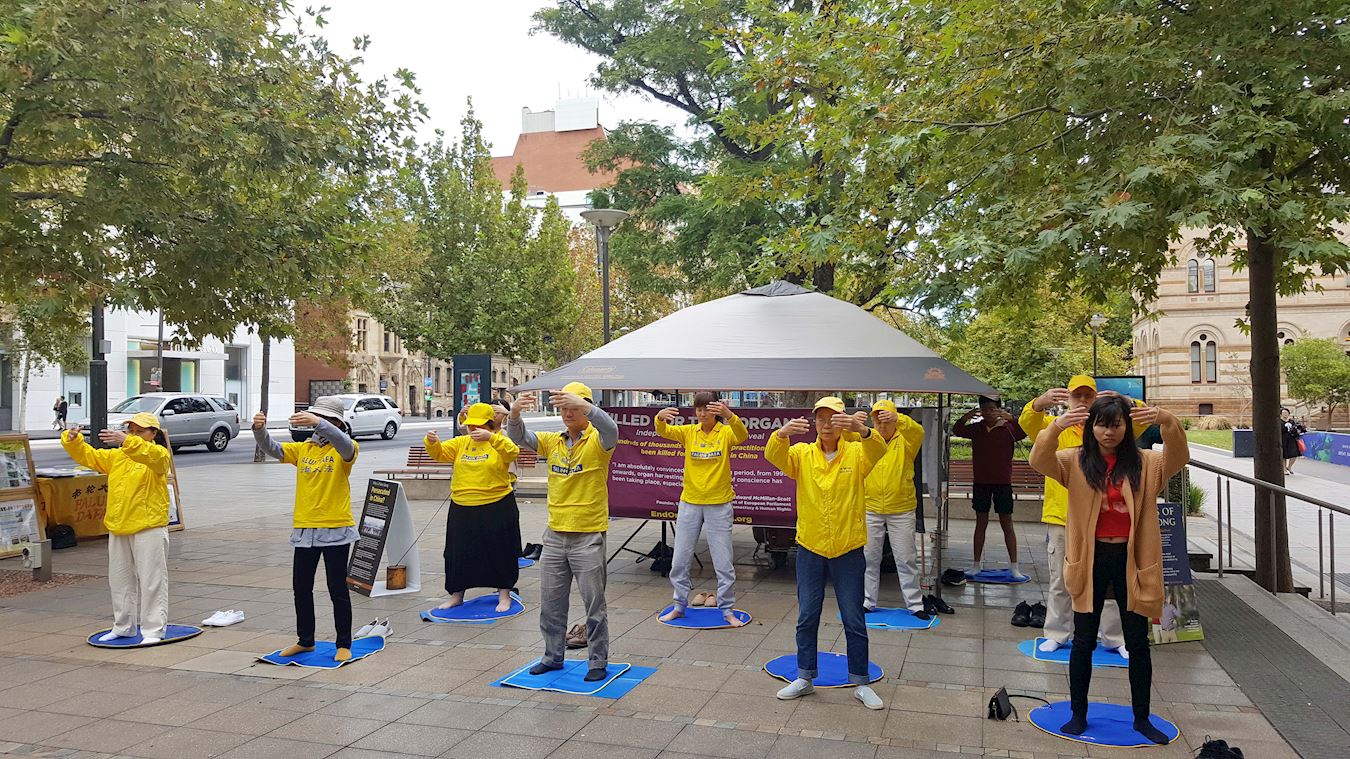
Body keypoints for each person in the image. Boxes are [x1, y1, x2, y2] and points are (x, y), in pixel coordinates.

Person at [1029, 394, 1187, 744]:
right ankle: (1078, 714)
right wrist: (1056, 426)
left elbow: (1179, 456)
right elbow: (1038, 459)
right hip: (1091, 558)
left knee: (1138, 642)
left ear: (1127, 427)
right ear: (1091, 427)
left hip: (1133, 559)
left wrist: (1167, 420)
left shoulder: (1146, 463)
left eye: (1116, 424)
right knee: (1084, 640)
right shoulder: (1075, 461)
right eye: (1102, 424)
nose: (1109, 432)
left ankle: (1142, 718)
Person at [765, 397, 888, 710]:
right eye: (820, 418)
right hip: (811, 545)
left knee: (854, 617)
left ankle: (861, 682)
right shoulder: (802, 454)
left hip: (848, 547)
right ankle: (805, 677)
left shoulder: (857, 452)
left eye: (833, 418)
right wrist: (781, 434)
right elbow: (774, 456)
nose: (826, 424)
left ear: (843, 422)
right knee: (807, 614)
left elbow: (878, 450)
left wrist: (862, 429)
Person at [507, 382, 618, 682]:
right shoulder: (553, 441)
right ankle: (552, 656)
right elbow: (519, 436)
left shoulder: (599, 441)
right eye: (564, 408)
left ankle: (597, 661)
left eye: (574, 408)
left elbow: (611, 429)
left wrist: (586, 407)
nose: (568, 413)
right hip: (555, 535)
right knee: (551, 604)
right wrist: (514, 414)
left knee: (594, 604)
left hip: (588, 534)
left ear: (586, 408)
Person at [1019, 376, 1128, 655]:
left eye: (1088, 396)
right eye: (1077, 396)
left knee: (1109, 582)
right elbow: (1028, 424)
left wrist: (1123, 400)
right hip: (1062, 516)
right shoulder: (1055, 426)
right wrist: (1040, 403)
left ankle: (1114, 637)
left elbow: (1139, 420)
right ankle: (1057, 633)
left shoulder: (1107, 428)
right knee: (1061, 579)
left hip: (1103, 518)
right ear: (1067, 398)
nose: (1082, 401)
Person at [252, 397, 358, 662]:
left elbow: (345, 445)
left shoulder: (346, 448)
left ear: (335, 423)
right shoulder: (304, 449)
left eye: (323, 419)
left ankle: (344, 642)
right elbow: (273, 448)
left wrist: (319, 422)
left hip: (335, 527)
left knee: (337, 588)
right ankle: (305, 640)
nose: (316, 424)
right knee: (301, 587)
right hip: (305, 528)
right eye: (316, 418)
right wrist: (259, 429)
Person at [61, 413, 172, 643]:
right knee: (120, 580)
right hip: (120, 524)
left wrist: (127, 441)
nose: (133, 435)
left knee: (152, 581)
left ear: (153, 433)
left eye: (140, 431)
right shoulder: (118, 457)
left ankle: (153, 630)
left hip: (149, 525)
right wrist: (73, 440)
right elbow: (90, 456)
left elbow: (152, 457)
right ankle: (123, 626)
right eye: (131, 431)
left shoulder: (159, 454)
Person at [654, 392, 749, 627]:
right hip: (690, 502)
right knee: (680, 559)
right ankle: (679, 606)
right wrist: (660, 417)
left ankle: (727, 610)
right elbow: (664, 431)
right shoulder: (689, 432)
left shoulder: (725, 432)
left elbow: (742, 435)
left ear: (716, 410)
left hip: (719, 504)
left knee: (723, 562)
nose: (702, 413)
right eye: (698, 409)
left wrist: (730, 415)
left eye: (706, 409)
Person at [426, 402, 521, 613]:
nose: (473, 429)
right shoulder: (461, 442)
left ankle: (504, 594)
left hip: (496, 503)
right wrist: (432, 442)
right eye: (470, 425)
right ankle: (456, 595)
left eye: (479, 426)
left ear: (490, 424)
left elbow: (512, 452)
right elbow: (440, 454)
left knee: (500, 551)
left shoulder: (499, 440)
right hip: (462, 504)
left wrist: (491, 438)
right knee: (457, 553)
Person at [860, 399, 931, 618]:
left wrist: (899, 418)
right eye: (877, 420)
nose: (882, 425)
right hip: (870, 506)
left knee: (906, 558)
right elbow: (844, 437)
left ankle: (915, 604)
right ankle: (867, 601)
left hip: (901, 508)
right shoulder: (866, 439)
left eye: (886, 419)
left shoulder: (907, 440)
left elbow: (918, 430)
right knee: (869, 558)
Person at [952, 396, 1027, 579]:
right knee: (981, 523)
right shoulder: (977, 428)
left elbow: (1023, 432)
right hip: (981, 482)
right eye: (984, 409)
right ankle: (976, 564)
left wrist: (1012, 419)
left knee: (1007, 523)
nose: (988, 412)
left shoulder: (1008, 428)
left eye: (992, 409)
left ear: (999, 410)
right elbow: (957, 430)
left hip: (1003, 483)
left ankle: (1014, 566)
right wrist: (966, 416)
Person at [1280, 407, 1305, 475]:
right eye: (1283, 413)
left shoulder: (1292, 421)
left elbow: (1297, 429)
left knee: (1294, 454)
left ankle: (1289, 467)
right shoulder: (1280, 422)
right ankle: (1284, 469)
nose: (1285, 414)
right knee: (1284, 455)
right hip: (1283, 439)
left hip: (1292, 439)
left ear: (1288, 413)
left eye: (1286, 413)